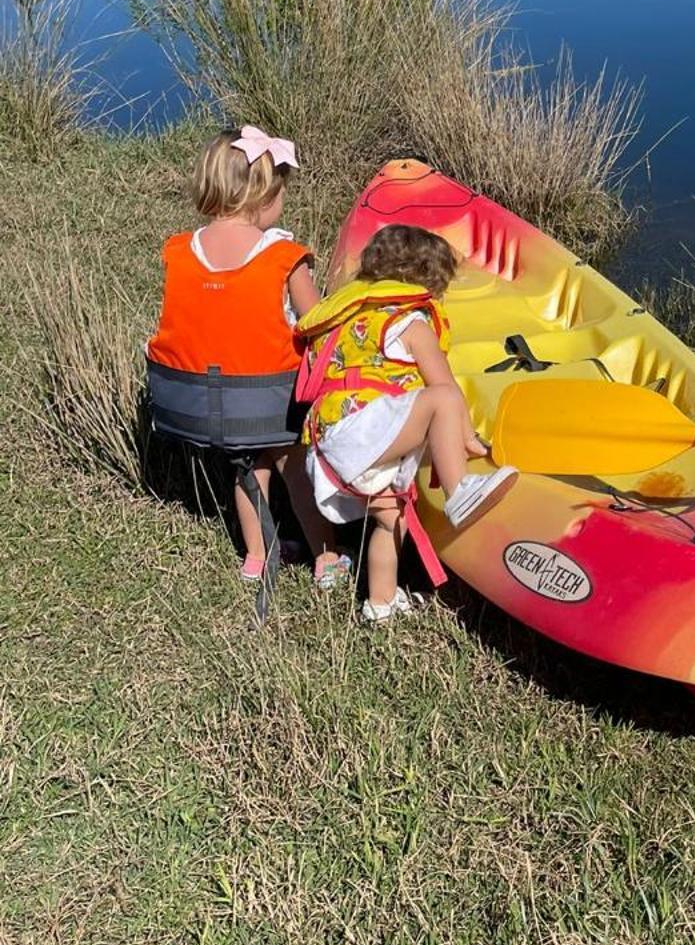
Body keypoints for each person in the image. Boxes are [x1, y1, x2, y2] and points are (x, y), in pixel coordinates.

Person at [146, 126, 349, 590]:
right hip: (269, 402)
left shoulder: (180, 251)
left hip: (193, 405)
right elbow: (316, 323)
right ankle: (327, 557)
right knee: (291, 464)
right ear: (262, 197)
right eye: (281, 194)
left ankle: (256, 557)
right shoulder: (283, 256)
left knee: (248, 465)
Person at [296, 224, 516, 625]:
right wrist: (470, 441)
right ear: (427, 282)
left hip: (324, 447)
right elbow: (443, 385)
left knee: (391, 518)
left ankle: (380, 604)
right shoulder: (411, 323)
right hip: (359, 437)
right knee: (444, 399)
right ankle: (459, 491)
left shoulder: (348, 319)